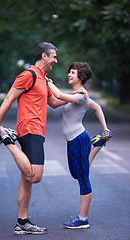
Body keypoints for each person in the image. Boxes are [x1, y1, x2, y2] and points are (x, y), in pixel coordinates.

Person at [0, 42, 86, 235]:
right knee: (36, 175)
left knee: (27, 178)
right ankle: (7, 139)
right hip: (29, 128)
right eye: (54, 57)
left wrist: (74, 93)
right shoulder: (28, 75)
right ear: (44, 56)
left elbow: (55, 103)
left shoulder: (42, 78)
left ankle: (22, 222)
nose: (55, 61)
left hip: (38, 130)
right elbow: (9, 98)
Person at [47, 62, 113, 229]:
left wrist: (47, 81)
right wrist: (105, 129)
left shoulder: (81, 96)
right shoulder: (77, 94)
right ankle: (98, 144)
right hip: (72, 140)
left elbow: (60, 97)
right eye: (69, 72)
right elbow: (54, 103)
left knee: (83, 177)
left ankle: (83, 219)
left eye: (73, 73)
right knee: (76, 173)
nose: (69, 74)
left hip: (79, 139)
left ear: (81, 77)